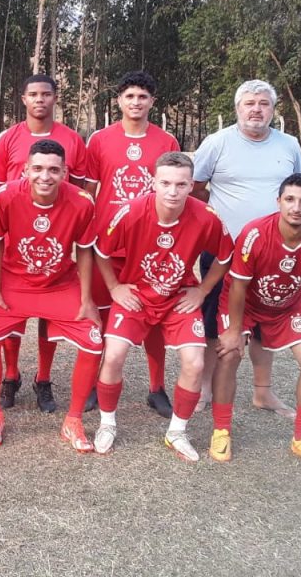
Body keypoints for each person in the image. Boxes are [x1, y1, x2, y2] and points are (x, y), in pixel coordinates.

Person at [94, 152, 233, 462]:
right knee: (113, 355)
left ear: (191, 185)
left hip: (178, 298)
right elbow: (100, 250)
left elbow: (225, 256)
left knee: (195, 363)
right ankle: (107, 423)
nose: (173, 191)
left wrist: (202, 290)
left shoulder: (206, 216)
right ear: (153, 182)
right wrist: (115, 287)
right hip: (136, 296)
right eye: (166, 183)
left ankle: (177, 432)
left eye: (181, 184)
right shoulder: (130, 211)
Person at [209, 174, 301, 468]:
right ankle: (221, 430)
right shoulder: (254, 233)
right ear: (278, 202)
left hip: (287, 306)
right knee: (229, 353)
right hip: (244, 302)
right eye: (290, 199)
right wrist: (233, 330)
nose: (296, 207)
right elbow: (238, 285)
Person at [192, 80, 301, 418]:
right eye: (249, 103)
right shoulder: (217, 143)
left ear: (273, 109)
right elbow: (197, 187)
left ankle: (262, 392)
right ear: (237, 108)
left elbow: (297, 190)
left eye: (263, 103)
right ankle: (205, 389)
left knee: (264, 321)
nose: (256, 109)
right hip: (223, 249)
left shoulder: (289, 145)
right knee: (213, 320)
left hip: (274, 250)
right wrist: (222, 220)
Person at [0, 140, 102, 452]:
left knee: (93, 341)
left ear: (65, 172)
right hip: (15, 281)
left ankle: (73, 420)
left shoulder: (82, 202)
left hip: (59, 283)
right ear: (25, 170)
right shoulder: (6, 195)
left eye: (53, 170)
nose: (44, 176)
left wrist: (86, 299)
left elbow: (84, 250)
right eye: (37, 168)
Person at [0, 74, 87, 412]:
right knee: (11, 316)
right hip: (16, 242)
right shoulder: (8, 137)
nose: (40, 99)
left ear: (55, 98)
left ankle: (43, 378)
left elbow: (79, 190)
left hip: (56, 243)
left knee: (48, 314)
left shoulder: (73, 139)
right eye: (33, 94)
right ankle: (10, 375)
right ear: (23, 99)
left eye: (46, 94)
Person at [85, 71, 180, 418]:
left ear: (152, 101)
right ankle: (96, 384)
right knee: (101, 315)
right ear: (119, 101)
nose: (136, 102)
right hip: (107, 244)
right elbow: (89, 192)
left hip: (150, 245)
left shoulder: (166, 141)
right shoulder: (99, 139)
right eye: (130, 96)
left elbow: (174, 190)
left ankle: (156, 388)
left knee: (153, 316)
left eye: (142, 96)